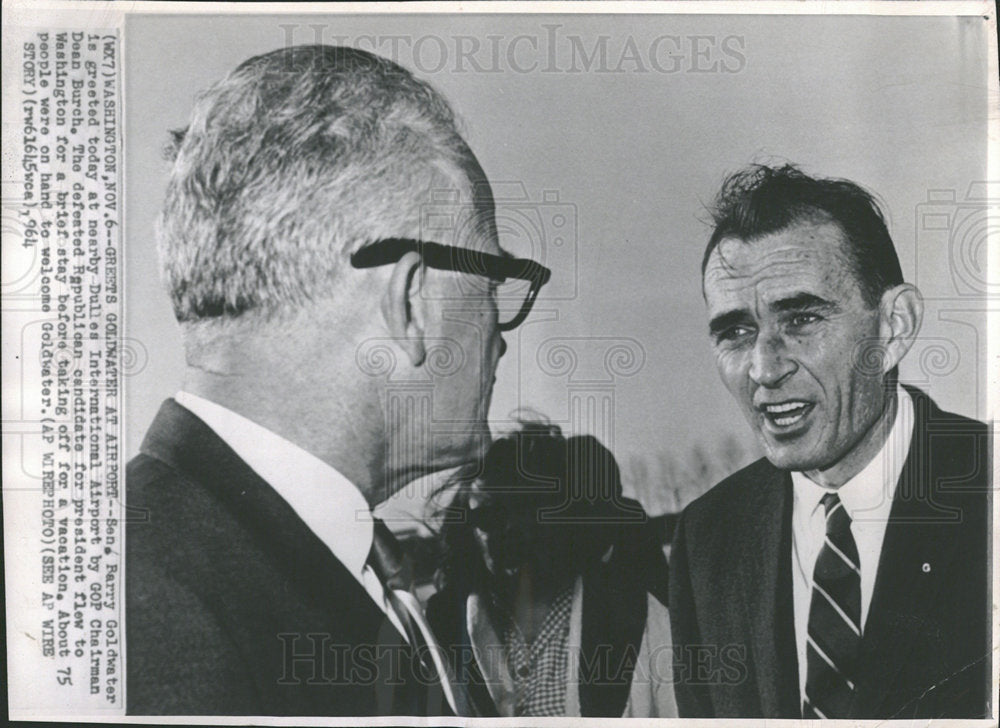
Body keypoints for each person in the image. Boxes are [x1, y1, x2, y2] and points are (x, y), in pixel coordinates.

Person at [126, 45, 551, 715]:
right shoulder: (158, 615)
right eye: (491, 281)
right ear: (411, 300)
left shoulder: (161, 567)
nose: (499, 334)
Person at [669, 163, 991, 719]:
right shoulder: (707, 541)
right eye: (736, 331)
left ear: (894, 327)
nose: (764, 369)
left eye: (801, 319)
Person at [426, 421, 677, 717]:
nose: (507, 530)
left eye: (525, 508)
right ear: (466, 527)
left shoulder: (638, 616)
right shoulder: (440, 633)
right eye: (486, 516)